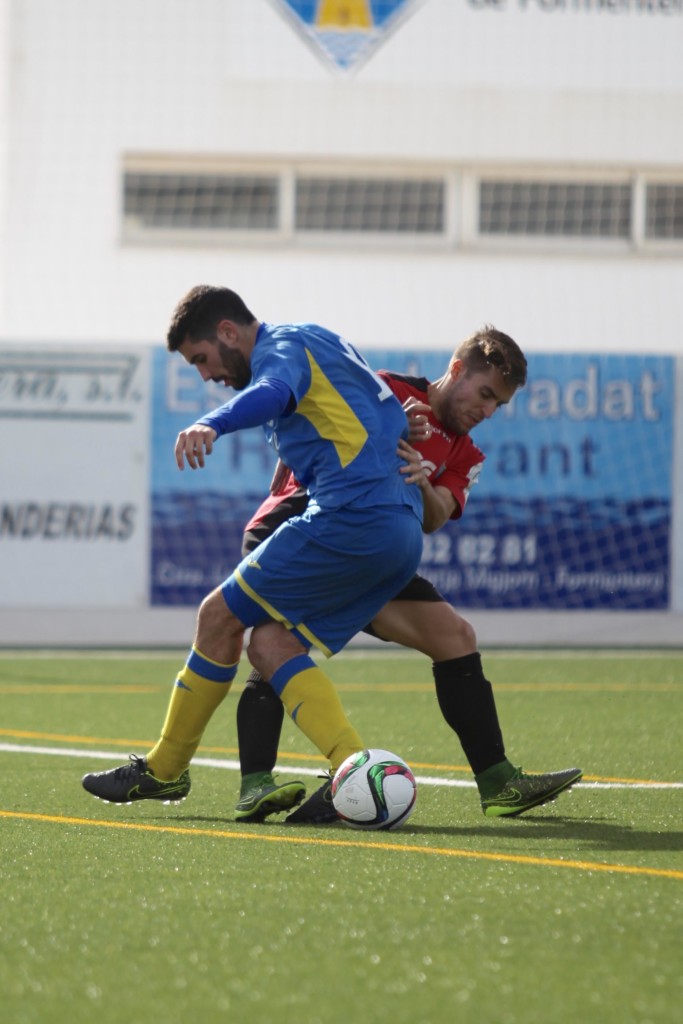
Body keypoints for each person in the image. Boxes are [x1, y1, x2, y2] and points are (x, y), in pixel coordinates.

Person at [81, 285, 425, 806]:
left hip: (351, 519)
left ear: (228, 332)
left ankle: (167, 768)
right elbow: (378, 413)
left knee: (218, 615)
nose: (206, 376)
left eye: (202, 359)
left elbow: (274, 390)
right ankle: (354, 774)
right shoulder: (319, 339)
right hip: (400, 531)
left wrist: (211, 422)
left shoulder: (280, 350)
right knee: (270, 646)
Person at [232, 329, 582, 824]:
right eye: (485, 394)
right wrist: (388, 428)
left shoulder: (465, 455)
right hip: (308, 526)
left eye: (498, 405)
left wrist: (422, 479)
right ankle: (257, 784)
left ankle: (499, 782)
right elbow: (304, 428)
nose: (487, 411)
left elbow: (436, 517)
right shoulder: (383, 390)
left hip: (373, 552)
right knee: (273, 645)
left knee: (455, 636)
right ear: (456, 370)